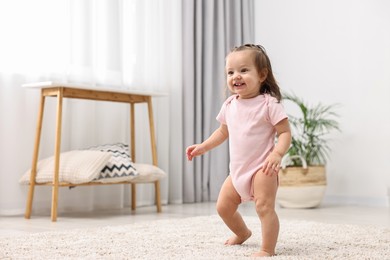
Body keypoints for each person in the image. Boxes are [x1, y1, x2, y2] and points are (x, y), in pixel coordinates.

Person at [186, 44, 291, 257]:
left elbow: (285, 133)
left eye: (244, 70)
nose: (236, 76)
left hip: (263, 168)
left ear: (262, 75)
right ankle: (242, 232)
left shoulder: (269, 104)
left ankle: (267, 248)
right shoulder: (230, 105)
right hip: (237, 170)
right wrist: (202, 146)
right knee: (223, 207)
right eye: (230, 72)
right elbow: (223, 132)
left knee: (264, 207)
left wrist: (277, 153)